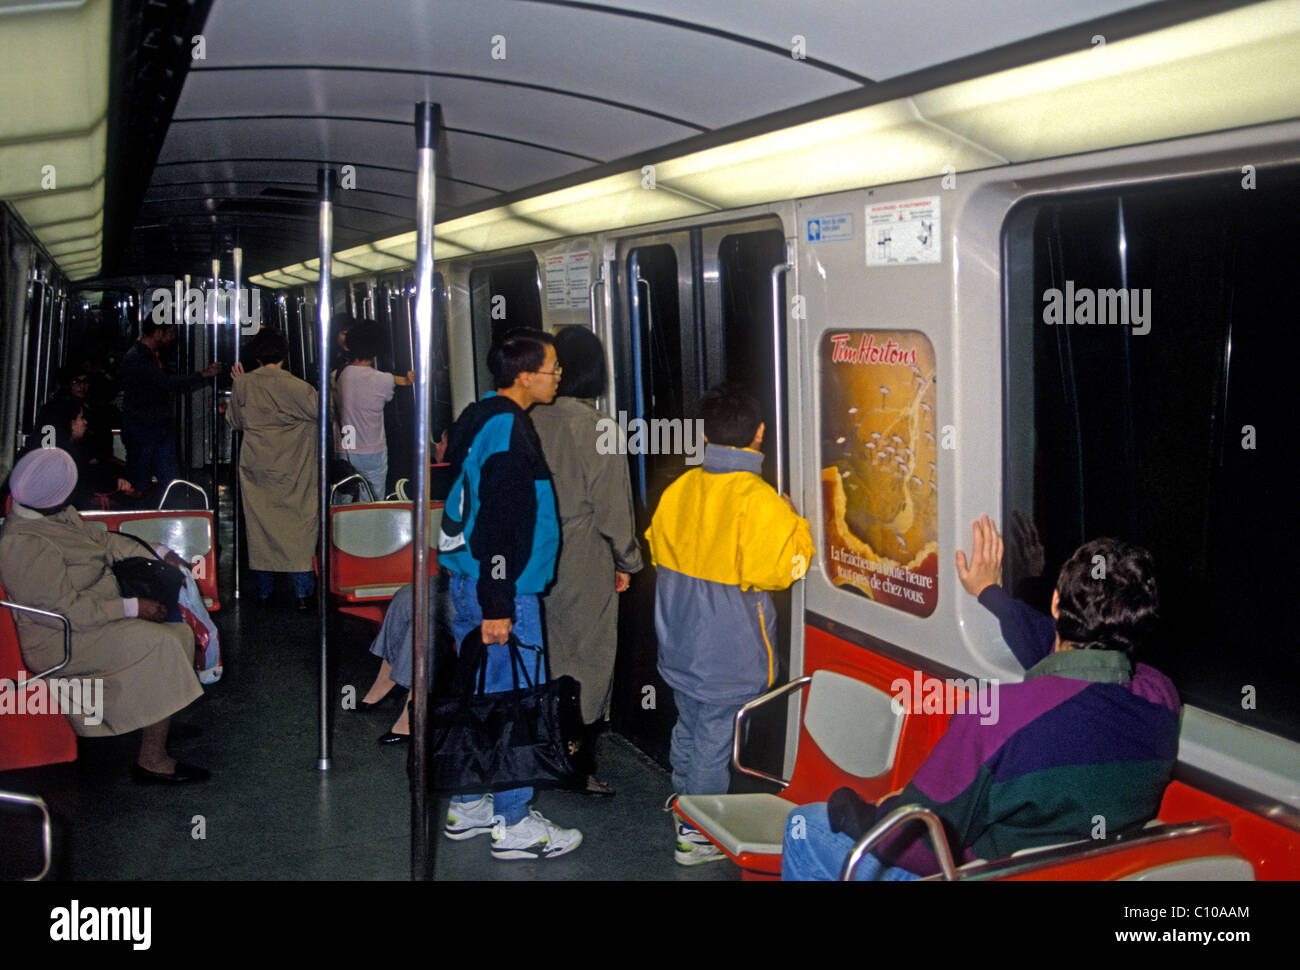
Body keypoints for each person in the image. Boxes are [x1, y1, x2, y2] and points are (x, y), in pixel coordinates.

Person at [780, 516, 1181, 880]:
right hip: (1076, 872)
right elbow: (1076, 659)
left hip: (983, 872)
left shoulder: (996, 716)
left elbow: (917, 846)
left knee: (805, 827)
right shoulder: (1161, 699)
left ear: (1056, 604)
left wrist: (867, 816)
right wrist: (991, 594)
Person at [646, 385, 814, 865]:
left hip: (678, 645)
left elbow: (658, 550)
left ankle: (682, 806)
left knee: (689, 728)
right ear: (759, 435)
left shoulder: (679, 489)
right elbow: (786, 570)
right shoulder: (758, 501)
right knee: (714, 744)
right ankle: (697, 835)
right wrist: (795, 522)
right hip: (726, 655)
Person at [434, 327, 582, 860]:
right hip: (500, 589)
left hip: (468, 579)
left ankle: (471, 802)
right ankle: (513, 822)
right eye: (552, 369)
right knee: (514, 700)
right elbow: (498, 524)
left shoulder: (479, 415)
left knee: (483, 695)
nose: (558, 377)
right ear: (524, 375)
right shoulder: (509, 430)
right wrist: (499, 604)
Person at [0, 448, 209, 783]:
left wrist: (158, 552)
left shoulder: (55, 514)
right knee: (161, 645)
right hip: (62, 638)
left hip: (91, 621)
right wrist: (132, 608)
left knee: (179, 634)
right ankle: (151, 761)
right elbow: (61, 612)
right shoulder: (21, 543)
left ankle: (158, 719)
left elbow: (104, 541)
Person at [531, 327, 642, 795]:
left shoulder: (526, 417)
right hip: (583, 552)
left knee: (546, 649)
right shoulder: (598, 429)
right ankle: (577, 761)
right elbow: (614, 511)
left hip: (533, 549)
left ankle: (538, 748)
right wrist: (628, 561)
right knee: (589, 657)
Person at [226, 328, 319, 611]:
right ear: (285, 355)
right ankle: (303, 593)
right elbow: (323, 415)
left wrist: (240, 382)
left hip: (257, 468)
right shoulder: (300, 388)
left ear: (256, 355)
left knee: (260, 529)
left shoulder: (243, 385)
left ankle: (264, 591)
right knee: (299, 529)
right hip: (295, 469)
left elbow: (234, 421)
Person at [118, 321, 222, 502]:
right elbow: (166, 383)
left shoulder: (149, 356)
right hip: (143, 428)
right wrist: (202, 375)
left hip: (155, 427)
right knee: (139, 483)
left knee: (171, 482)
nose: (173, 337)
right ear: (158, 332)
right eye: (170, 332)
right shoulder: (138, 358)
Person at [336, 321, 413, 502]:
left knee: (343, 501)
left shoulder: (338, 376)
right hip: (373, 449)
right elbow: (388, 393)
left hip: (346, 447)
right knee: (373, 500)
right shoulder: (384, 380)